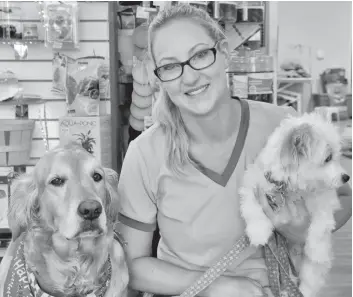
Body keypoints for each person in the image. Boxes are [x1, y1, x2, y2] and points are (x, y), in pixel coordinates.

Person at [117, 4, 352, 297]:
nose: (189, 78)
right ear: (158, 77)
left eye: (200, 55)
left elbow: (341, 195)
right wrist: (218, 286)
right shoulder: (144, 154)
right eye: (170, 66)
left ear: (225, 52)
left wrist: (303, 229)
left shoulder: (283, 128)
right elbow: (132, 265)